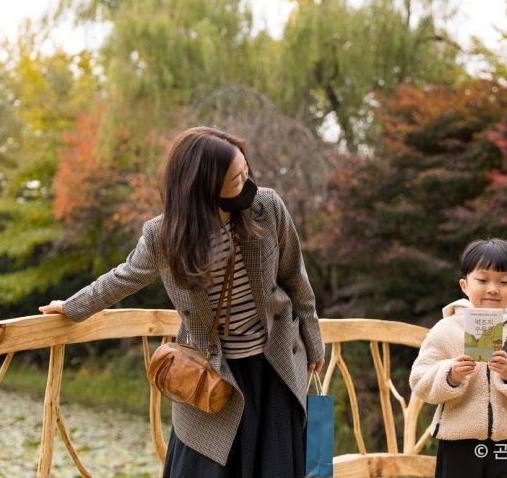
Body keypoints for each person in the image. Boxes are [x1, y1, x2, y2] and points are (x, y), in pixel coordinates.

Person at [39, 126, 325, 477]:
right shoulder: (163, 236)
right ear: (205, 184)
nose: (247, 182)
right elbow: (124, 277)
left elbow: (295, 277)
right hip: (211, 373)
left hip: (274, 367)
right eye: (237, 178)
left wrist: (314, 344)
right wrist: (70, 307)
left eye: (246, 172)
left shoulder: (266, 207)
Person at [409, 238, 507, 478]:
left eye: (504, 282)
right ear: (464, 285)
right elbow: (419, 381)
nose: (492, 288)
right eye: (482, 280)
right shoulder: (446, 329)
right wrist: (450, 375)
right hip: (458, 444)